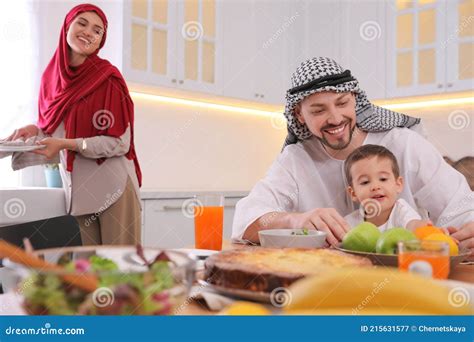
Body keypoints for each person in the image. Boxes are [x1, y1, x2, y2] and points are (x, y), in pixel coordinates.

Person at [232, 57, 473, 259]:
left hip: (408, 276)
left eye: (342, 103)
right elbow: (246, 221)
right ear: (299, 115)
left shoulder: (404, 144)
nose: (335, 118)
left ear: (355, 100)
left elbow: (460, 206)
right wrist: (294, 221)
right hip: (329, 284)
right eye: (318, 110)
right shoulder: (294, 160)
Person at [4, 4, 142, 245]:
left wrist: (65, 143)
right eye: (82, 23)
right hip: (79, 190)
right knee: (87, 272)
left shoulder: (106, 78)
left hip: (114, 187)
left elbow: (120, 142)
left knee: (121, 274)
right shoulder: (52, 77)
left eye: (97, 31)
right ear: (67, 25)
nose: (89, 32)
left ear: (101, 41)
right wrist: (36, 130)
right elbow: (60, 127)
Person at [343, 144, 430, 232]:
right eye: (365, 182)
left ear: (398, 184)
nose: (375, 187)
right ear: (353, 193)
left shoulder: (401, 211)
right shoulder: (350, 223)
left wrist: (425, 229)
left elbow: (413, 224)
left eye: (383, 179)